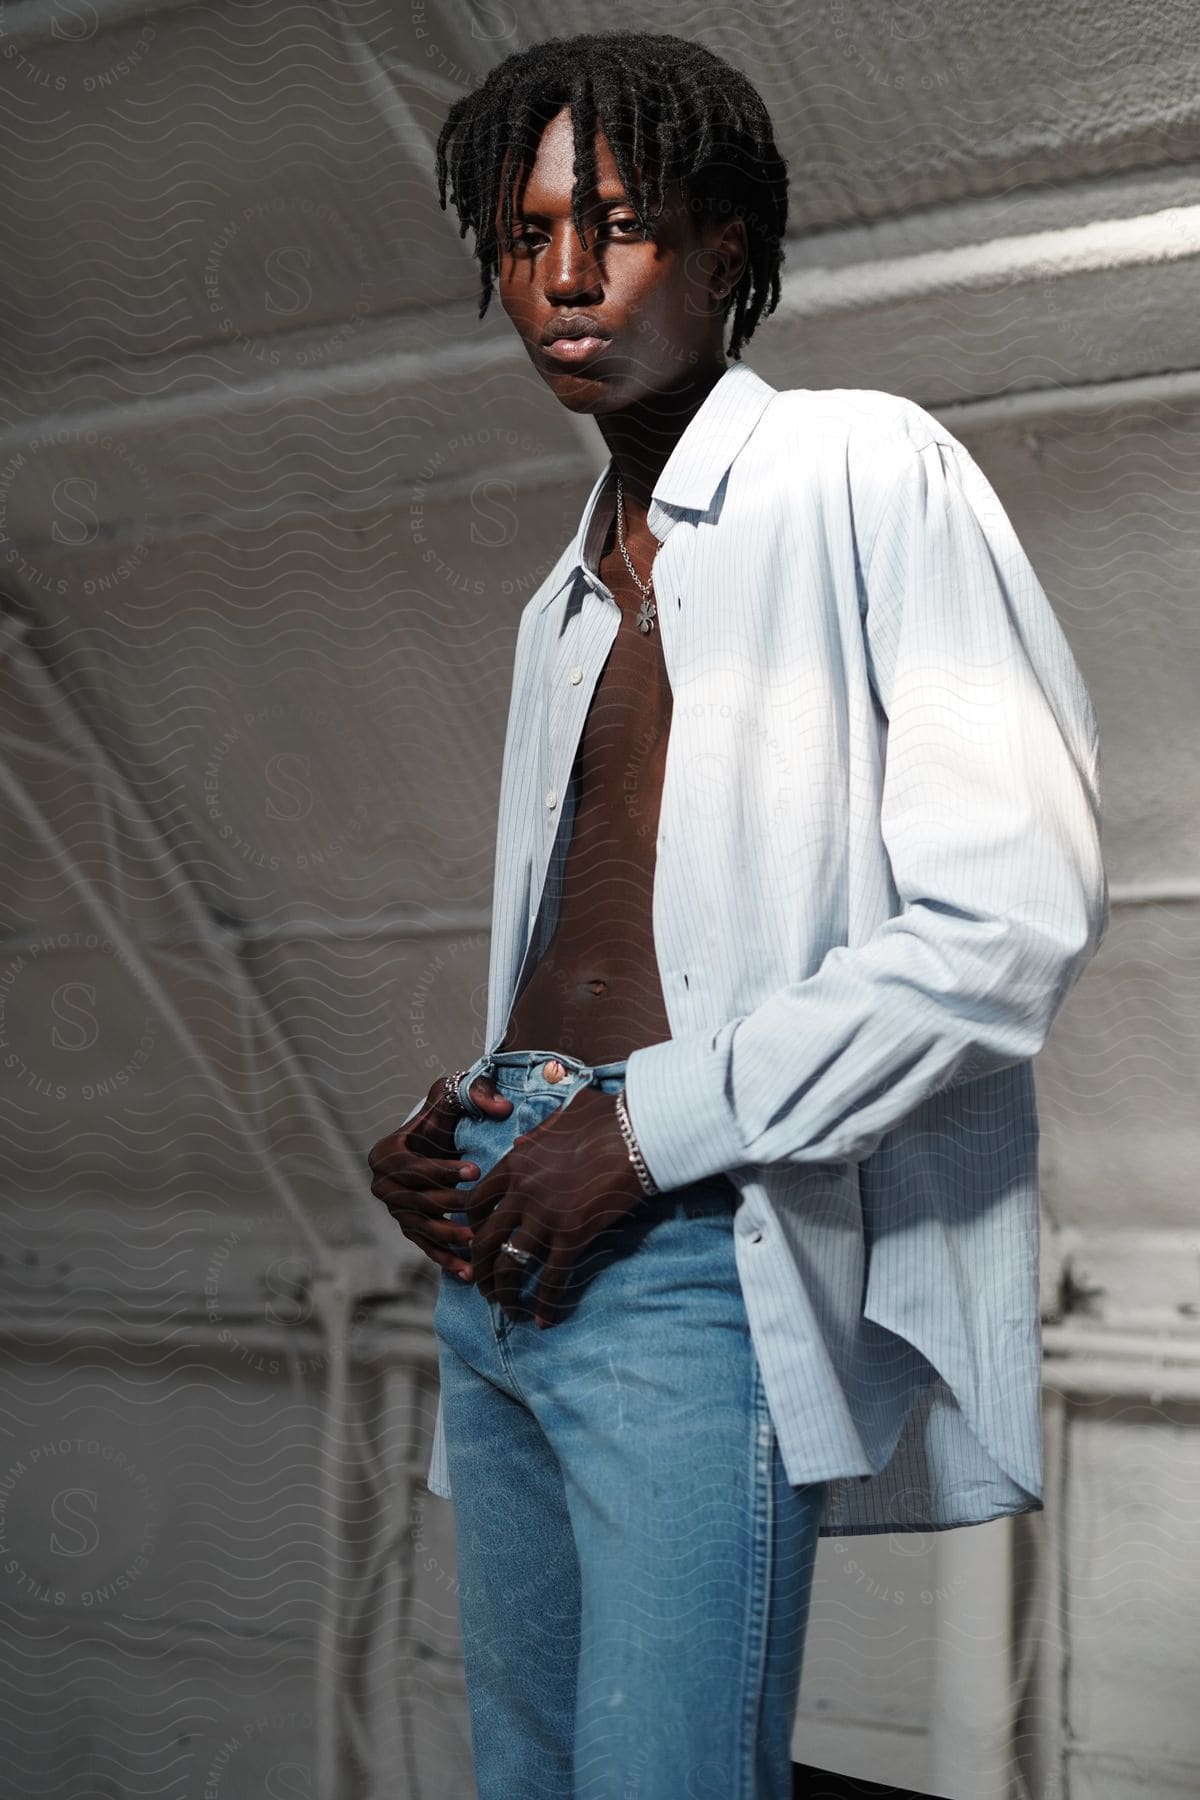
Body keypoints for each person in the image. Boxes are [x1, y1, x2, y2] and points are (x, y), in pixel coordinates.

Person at [367, 31, 1108, 1800]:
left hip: (692, 1240)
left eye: (617, 224)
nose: (561, 273)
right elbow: (615, 938)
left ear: (723, 250)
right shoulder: (563, 601)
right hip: (511, 1227)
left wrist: (639, 1131)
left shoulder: (865, 471)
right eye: (525, 229)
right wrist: (466, 1114)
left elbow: (1003, 919)